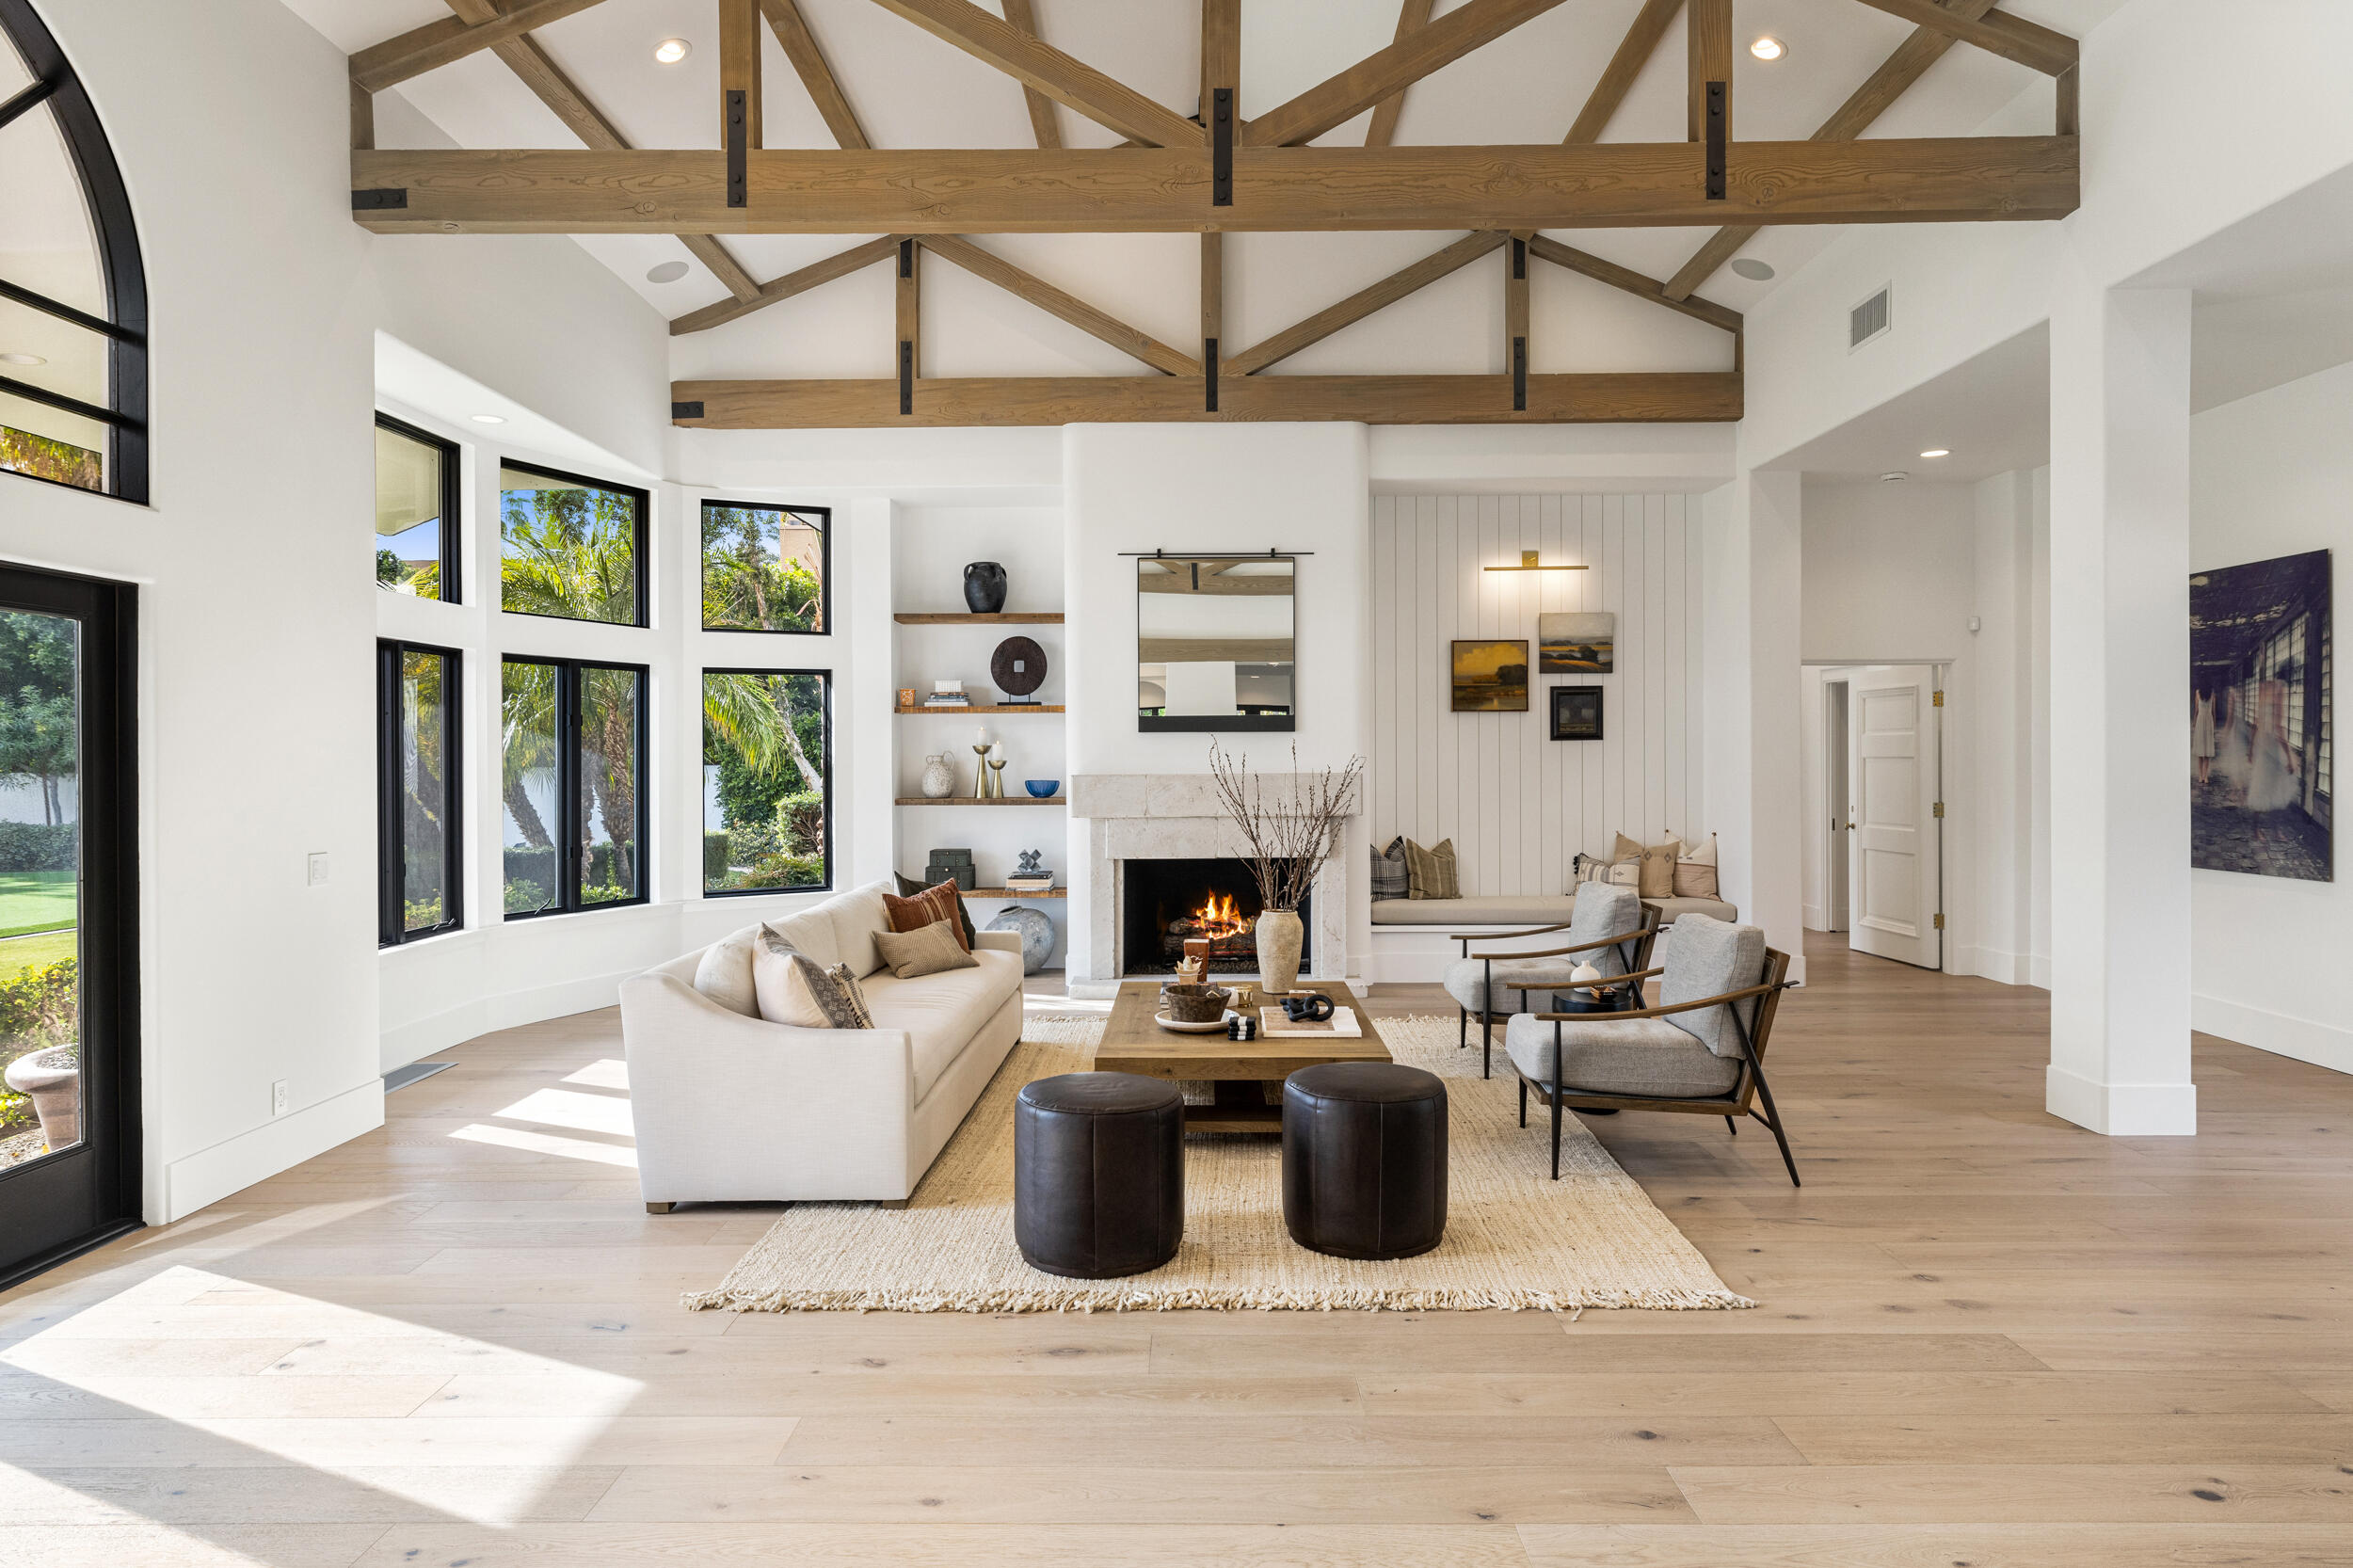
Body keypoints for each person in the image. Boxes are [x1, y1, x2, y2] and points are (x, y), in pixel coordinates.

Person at [2193, 683, 2219, 786]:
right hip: (2208, 720)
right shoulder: (2212, 693)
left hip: (2201, 720)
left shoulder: (2198, 692)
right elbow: (2214, 711)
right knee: (2205, 750)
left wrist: (2194, 722)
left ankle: (2201, 776)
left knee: (2202, 750)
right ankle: (2205, 776)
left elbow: (2196, 710)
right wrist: (2215, 723)